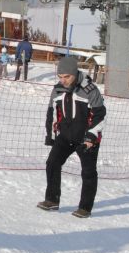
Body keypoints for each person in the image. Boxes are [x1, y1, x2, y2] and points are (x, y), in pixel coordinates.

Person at [38, 56, 106, 218]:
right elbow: (52, 113)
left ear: (75, 73)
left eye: (67, 77)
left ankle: (85, 207)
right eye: (60, 77)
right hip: (65, 136)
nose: (63, 80)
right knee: (52, 163)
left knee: (88, 172)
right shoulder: (57, 90)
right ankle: (52, 200)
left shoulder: (90, 90)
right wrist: (51, 135)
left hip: (86, 138)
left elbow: (100, 115)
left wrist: (91, 138)